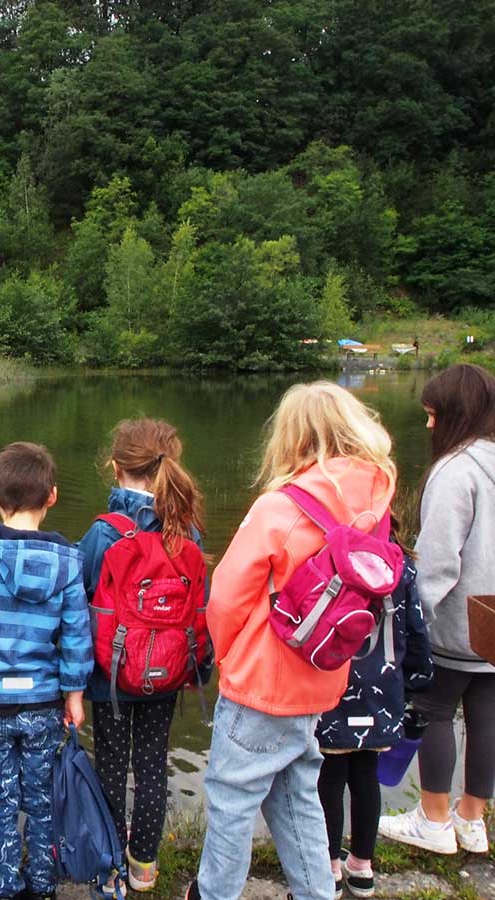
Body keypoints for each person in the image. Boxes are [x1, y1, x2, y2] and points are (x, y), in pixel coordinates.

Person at [187, 382, 397, 900]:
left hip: (261, 681)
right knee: (296, 793)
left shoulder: (281, 507)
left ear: (292, 435)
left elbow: (227, 599)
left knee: (232, 800)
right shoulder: (374, 506)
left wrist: (229, 657)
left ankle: (214, 895)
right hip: (321, 678)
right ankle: (317, 893)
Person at [0, 442, 93, 900]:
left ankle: (5, 886)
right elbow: (76, 634)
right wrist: (75, 695)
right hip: (43, 704)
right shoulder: (68, 560)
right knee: (42, 801)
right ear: (52, 497)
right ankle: (44, 885)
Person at [76, 419, 208, 893]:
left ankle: (111, 863)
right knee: (153, 762)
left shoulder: (104, 532)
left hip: (112, 673)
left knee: (111, 762)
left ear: (116, 468)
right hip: (169, 669)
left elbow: (84, 598)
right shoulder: (186, 530)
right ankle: (145, 866)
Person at [379, 363, 495, 854]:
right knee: (487, 714)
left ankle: (433, 818)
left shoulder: (455, 471)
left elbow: (439, 561)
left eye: (432, 415)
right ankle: (473, 821)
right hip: (493, 623)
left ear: (456, 413)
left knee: (432, 710)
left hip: (456, 622)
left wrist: (410, 623)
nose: (428, 425)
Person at [316, 517, 433, 898]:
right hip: (381, 693)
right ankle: (362, 867)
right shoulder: (402, 567)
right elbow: (416, 632)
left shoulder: (328, 559)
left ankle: (330, 865)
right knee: (366, 773)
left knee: (329, 776)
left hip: (332, 687)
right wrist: (416, 680)